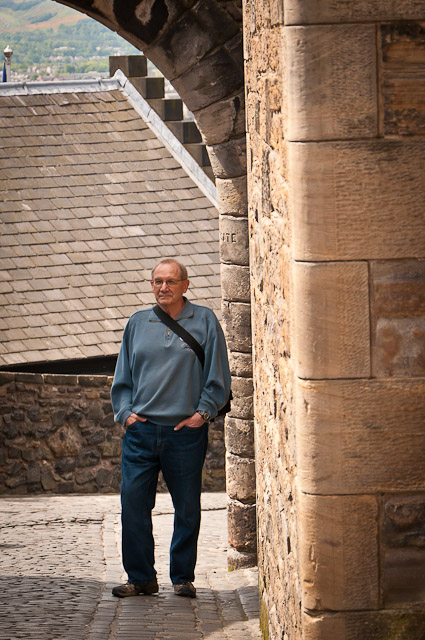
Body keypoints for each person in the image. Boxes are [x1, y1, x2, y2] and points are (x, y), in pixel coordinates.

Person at [110, 258, 231, 599]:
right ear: (152, 285)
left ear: (185, 285)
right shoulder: (138, 322)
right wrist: (126, 413)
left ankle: (182, 577)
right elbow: (123, 377)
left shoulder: (205, 320)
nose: (163, 287)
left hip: (185, 433)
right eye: (157, 282)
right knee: (133, 504)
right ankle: (141, 578)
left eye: (171, 281)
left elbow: (218, 375)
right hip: (141, 433)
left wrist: (202, 414)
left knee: (187, 507)